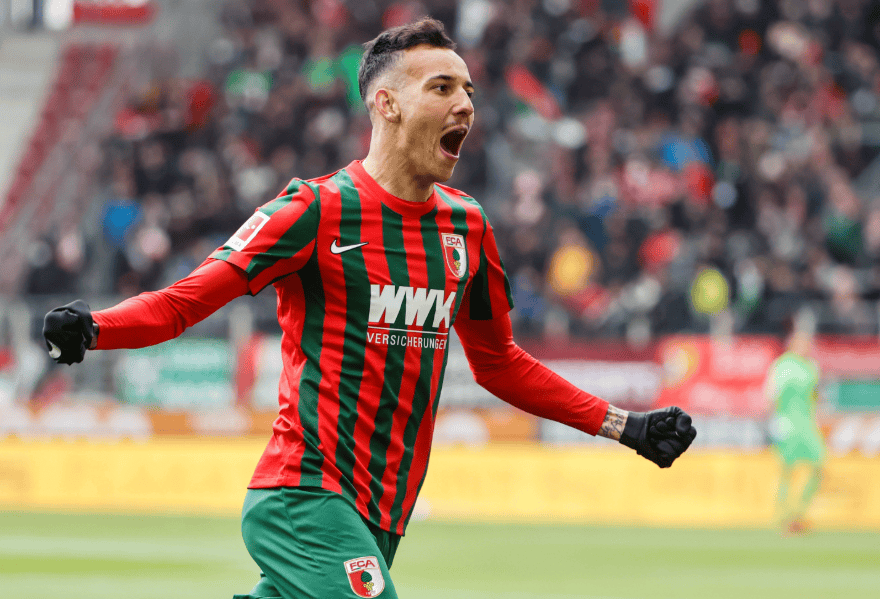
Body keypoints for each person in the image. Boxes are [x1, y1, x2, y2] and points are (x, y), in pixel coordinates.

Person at [42, 18, 697, 599]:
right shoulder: (313, 211)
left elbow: (499, 362)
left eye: (468, 90)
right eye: (441, 87)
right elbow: (184, 302)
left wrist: (625, 426)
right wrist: (95, 328)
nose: (465, 104)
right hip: (303, 496)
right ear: (386, 104)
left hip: (382, 514)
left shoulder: (466, 227)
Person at [765, 310, 826, 534]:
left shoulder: (812, 368)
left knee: (818, 465)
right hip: (787, 423)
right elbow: (771, 397)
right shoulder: (782, 366)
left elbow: (817, 398)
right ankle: (784, 517)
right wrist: (774, 424)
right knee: (787, 470)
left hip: (807, 424)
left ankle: (799, 513)